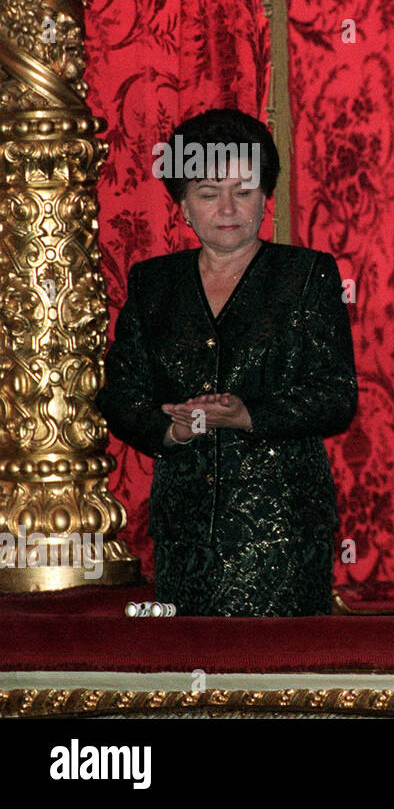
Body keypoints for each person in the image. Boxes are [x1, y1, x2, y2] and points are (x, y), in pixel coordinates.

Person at [98, 108, 357, 616]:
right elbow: (120, 393)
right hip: (184, 533)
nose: (228, 207)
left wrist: (246, 415)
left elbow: (335, 396)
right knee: (189, 680)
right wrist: (171, 430)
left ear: (265, 197)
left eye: (243, 189)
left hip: (283, 528)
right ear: (183, 207)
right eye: (208, 192)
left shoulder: (307, 275)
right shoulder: (154, 284)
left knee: (279, 681)